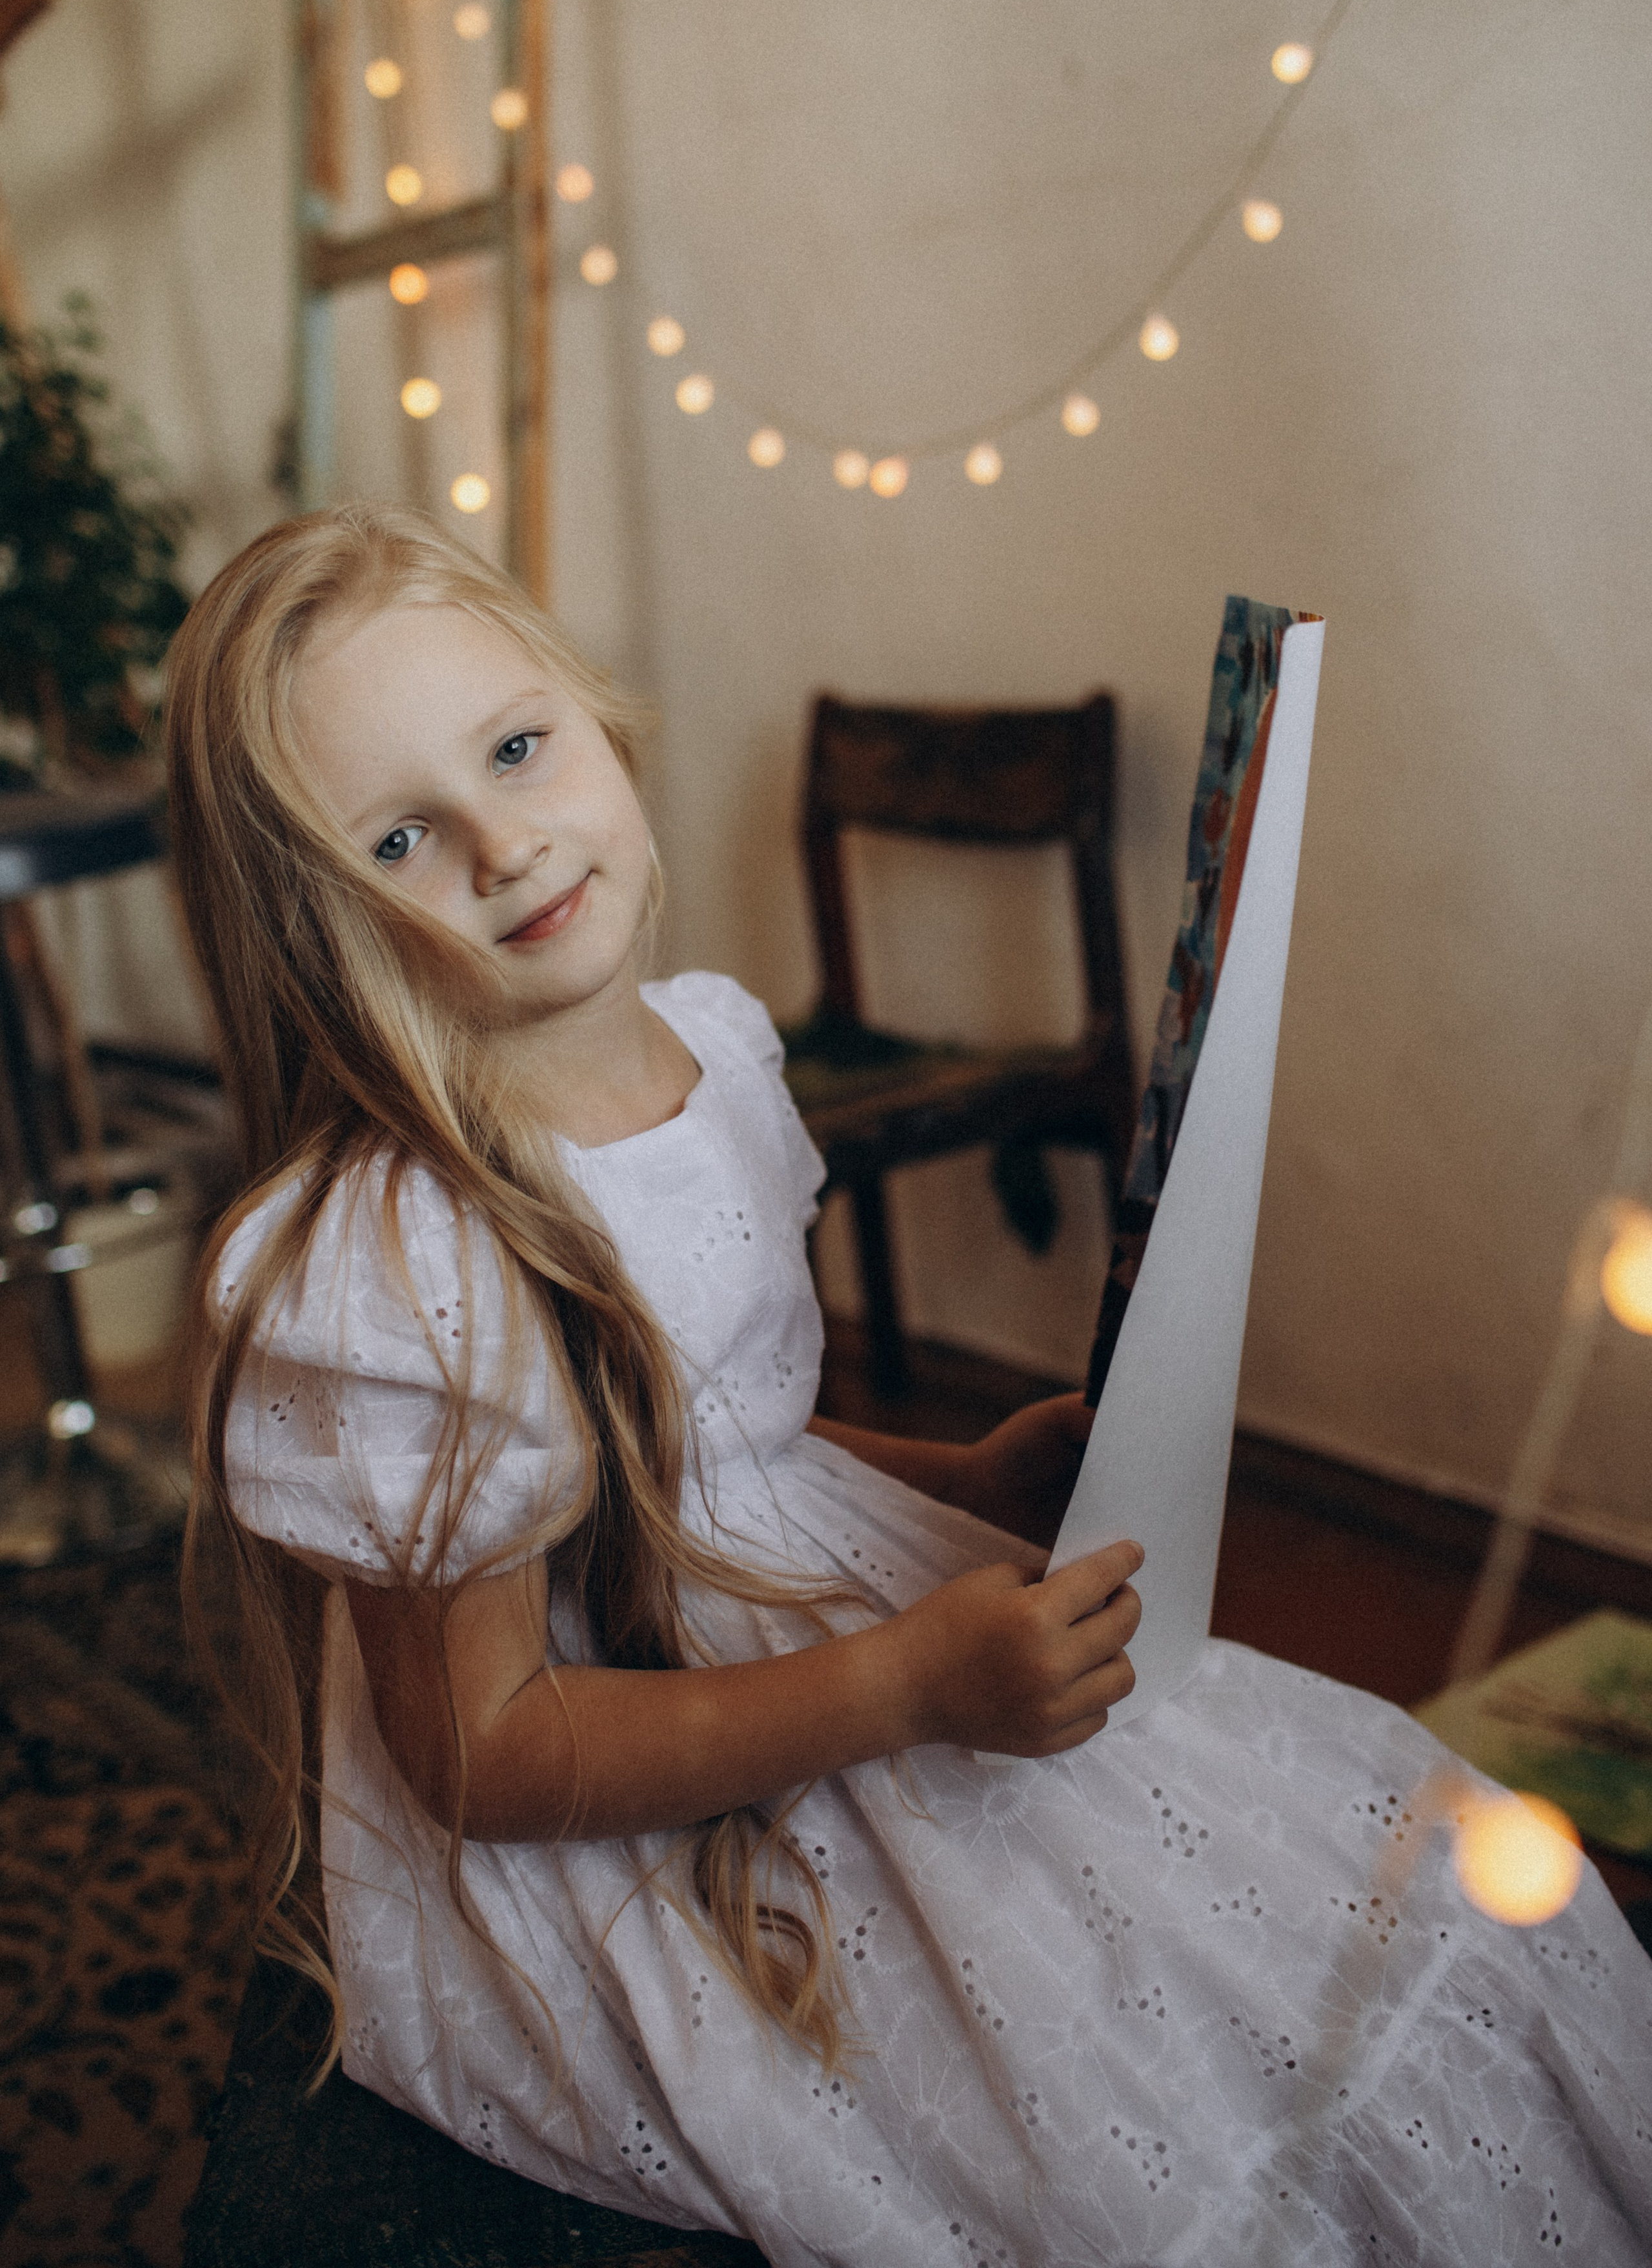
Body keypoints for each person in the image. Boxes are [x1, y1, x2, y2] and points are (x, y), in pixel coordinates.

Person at [170, 503, 1651, 2268]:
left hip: (836, 1624)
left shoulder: (709, 1046)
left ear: (596, 713)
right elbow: (478, 1754)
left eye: (515, 746)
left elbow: (717, 1448)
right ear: (310, 927)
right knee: (1157, 2126)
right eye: (402, 835)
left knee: (1440, 1885)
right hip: (623, 1795)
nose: (503, 844)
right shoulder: (402, 1263)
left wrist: (958, 1471)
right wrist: (904, 1685)